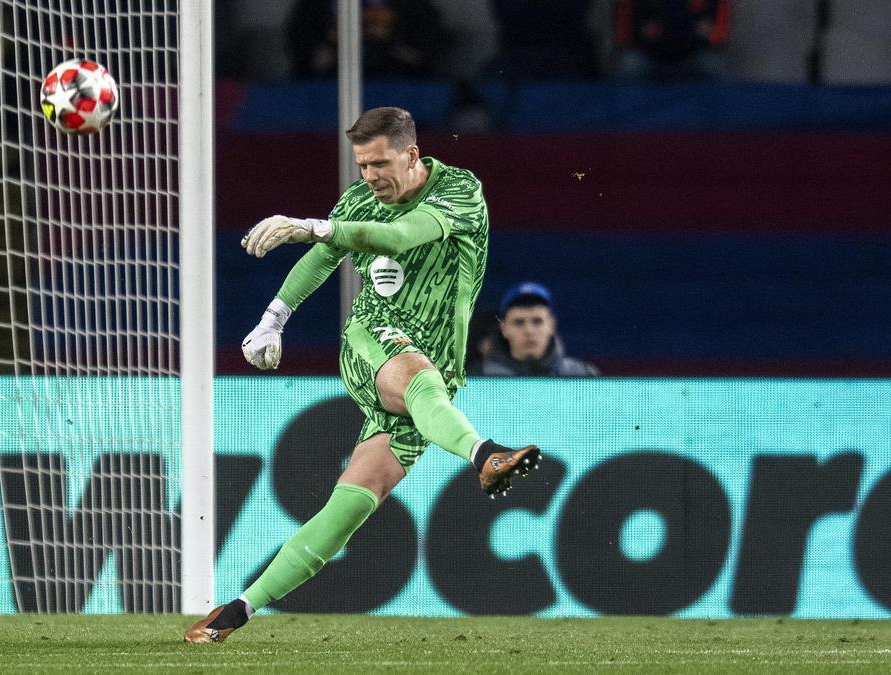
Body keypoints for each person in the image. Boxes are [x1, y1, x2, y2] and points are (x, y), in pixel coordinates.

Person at [185, 107, 541, 643]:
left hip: (435, 375)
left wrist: (312, 226)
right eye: (362, 166)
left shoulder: (460, 191)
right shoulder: (359, 200)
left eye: (379, 164)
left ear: (412, 155)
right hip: (372, 340)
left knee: (351, 504)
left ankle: (237, 609)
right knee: (419, 379)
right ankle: (485, 454)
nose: (369, 176)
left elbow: (399, 237)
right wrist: (273, 318)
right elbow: (324, 258)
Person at [286, 0, 449, 79]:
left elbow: (425, 57)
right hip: (326, 94)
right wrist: (333, 42)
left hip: (399, 88)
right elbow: (304, 62)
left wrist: (389, 43)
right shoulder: (313, 7)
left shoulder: (413, 7)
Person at [472, 282, 600, 377]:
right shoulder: (479, 376)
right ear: (504, 328)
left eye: (537, 321)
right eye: (519, 322)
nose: (529, 331)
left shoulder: (581, 375)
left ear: (552, 325)